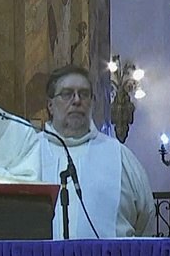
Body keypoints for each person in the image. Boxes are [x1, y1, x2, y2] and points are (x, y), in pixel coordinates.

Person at [39, 65, 155, 238]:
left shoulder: (119, 156)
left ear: (92, 103)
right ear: (50, 105)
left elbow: (145, 218)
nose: (77, 100)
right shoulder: (31, 152)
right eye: (67, 94)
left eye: (84, 94)